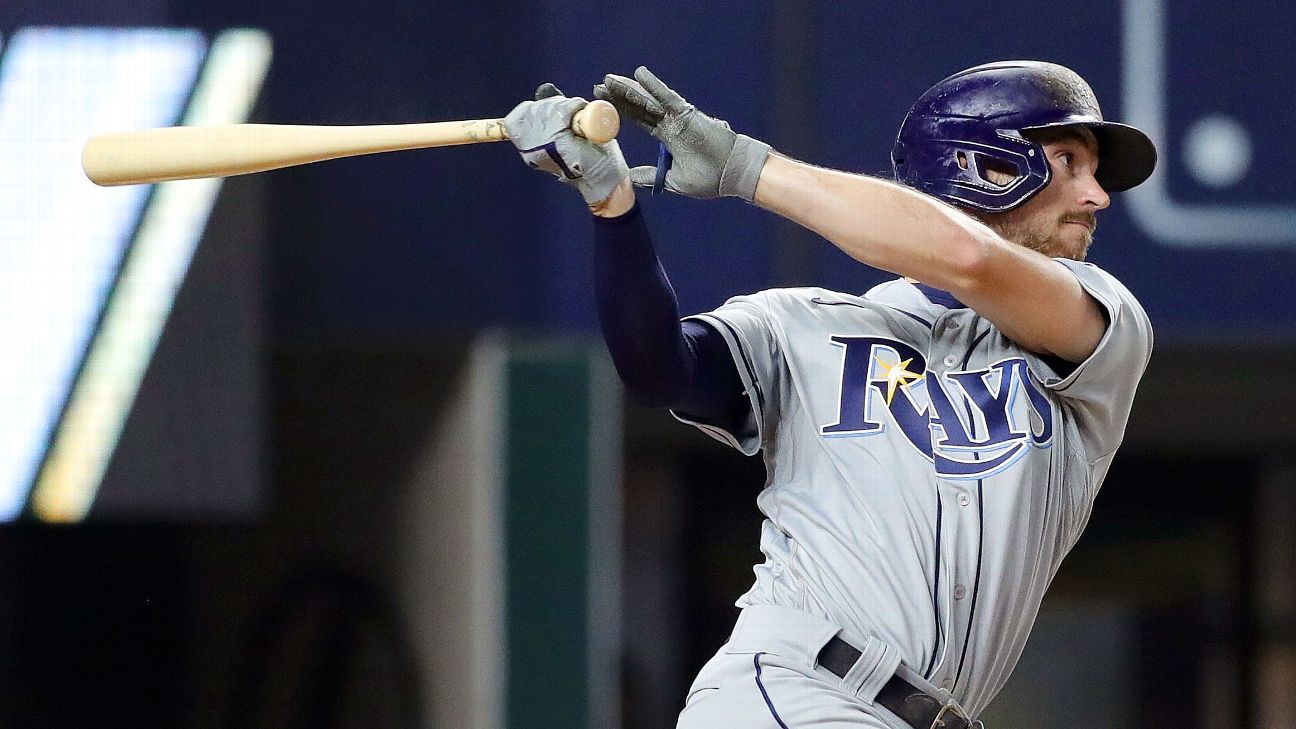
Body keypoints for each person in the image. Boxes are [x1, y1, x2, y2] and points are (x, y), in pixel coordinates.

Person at [503, 60, 1156, 729]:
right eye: (1068, 161)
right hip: (793, 688)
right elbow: (658, 368)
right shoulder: (802, 322)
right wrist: (613, 209)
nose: (1097, 195)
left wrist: (744, 166)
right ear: (984, 165)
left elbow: (969, 260)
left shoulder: (1104, 330)